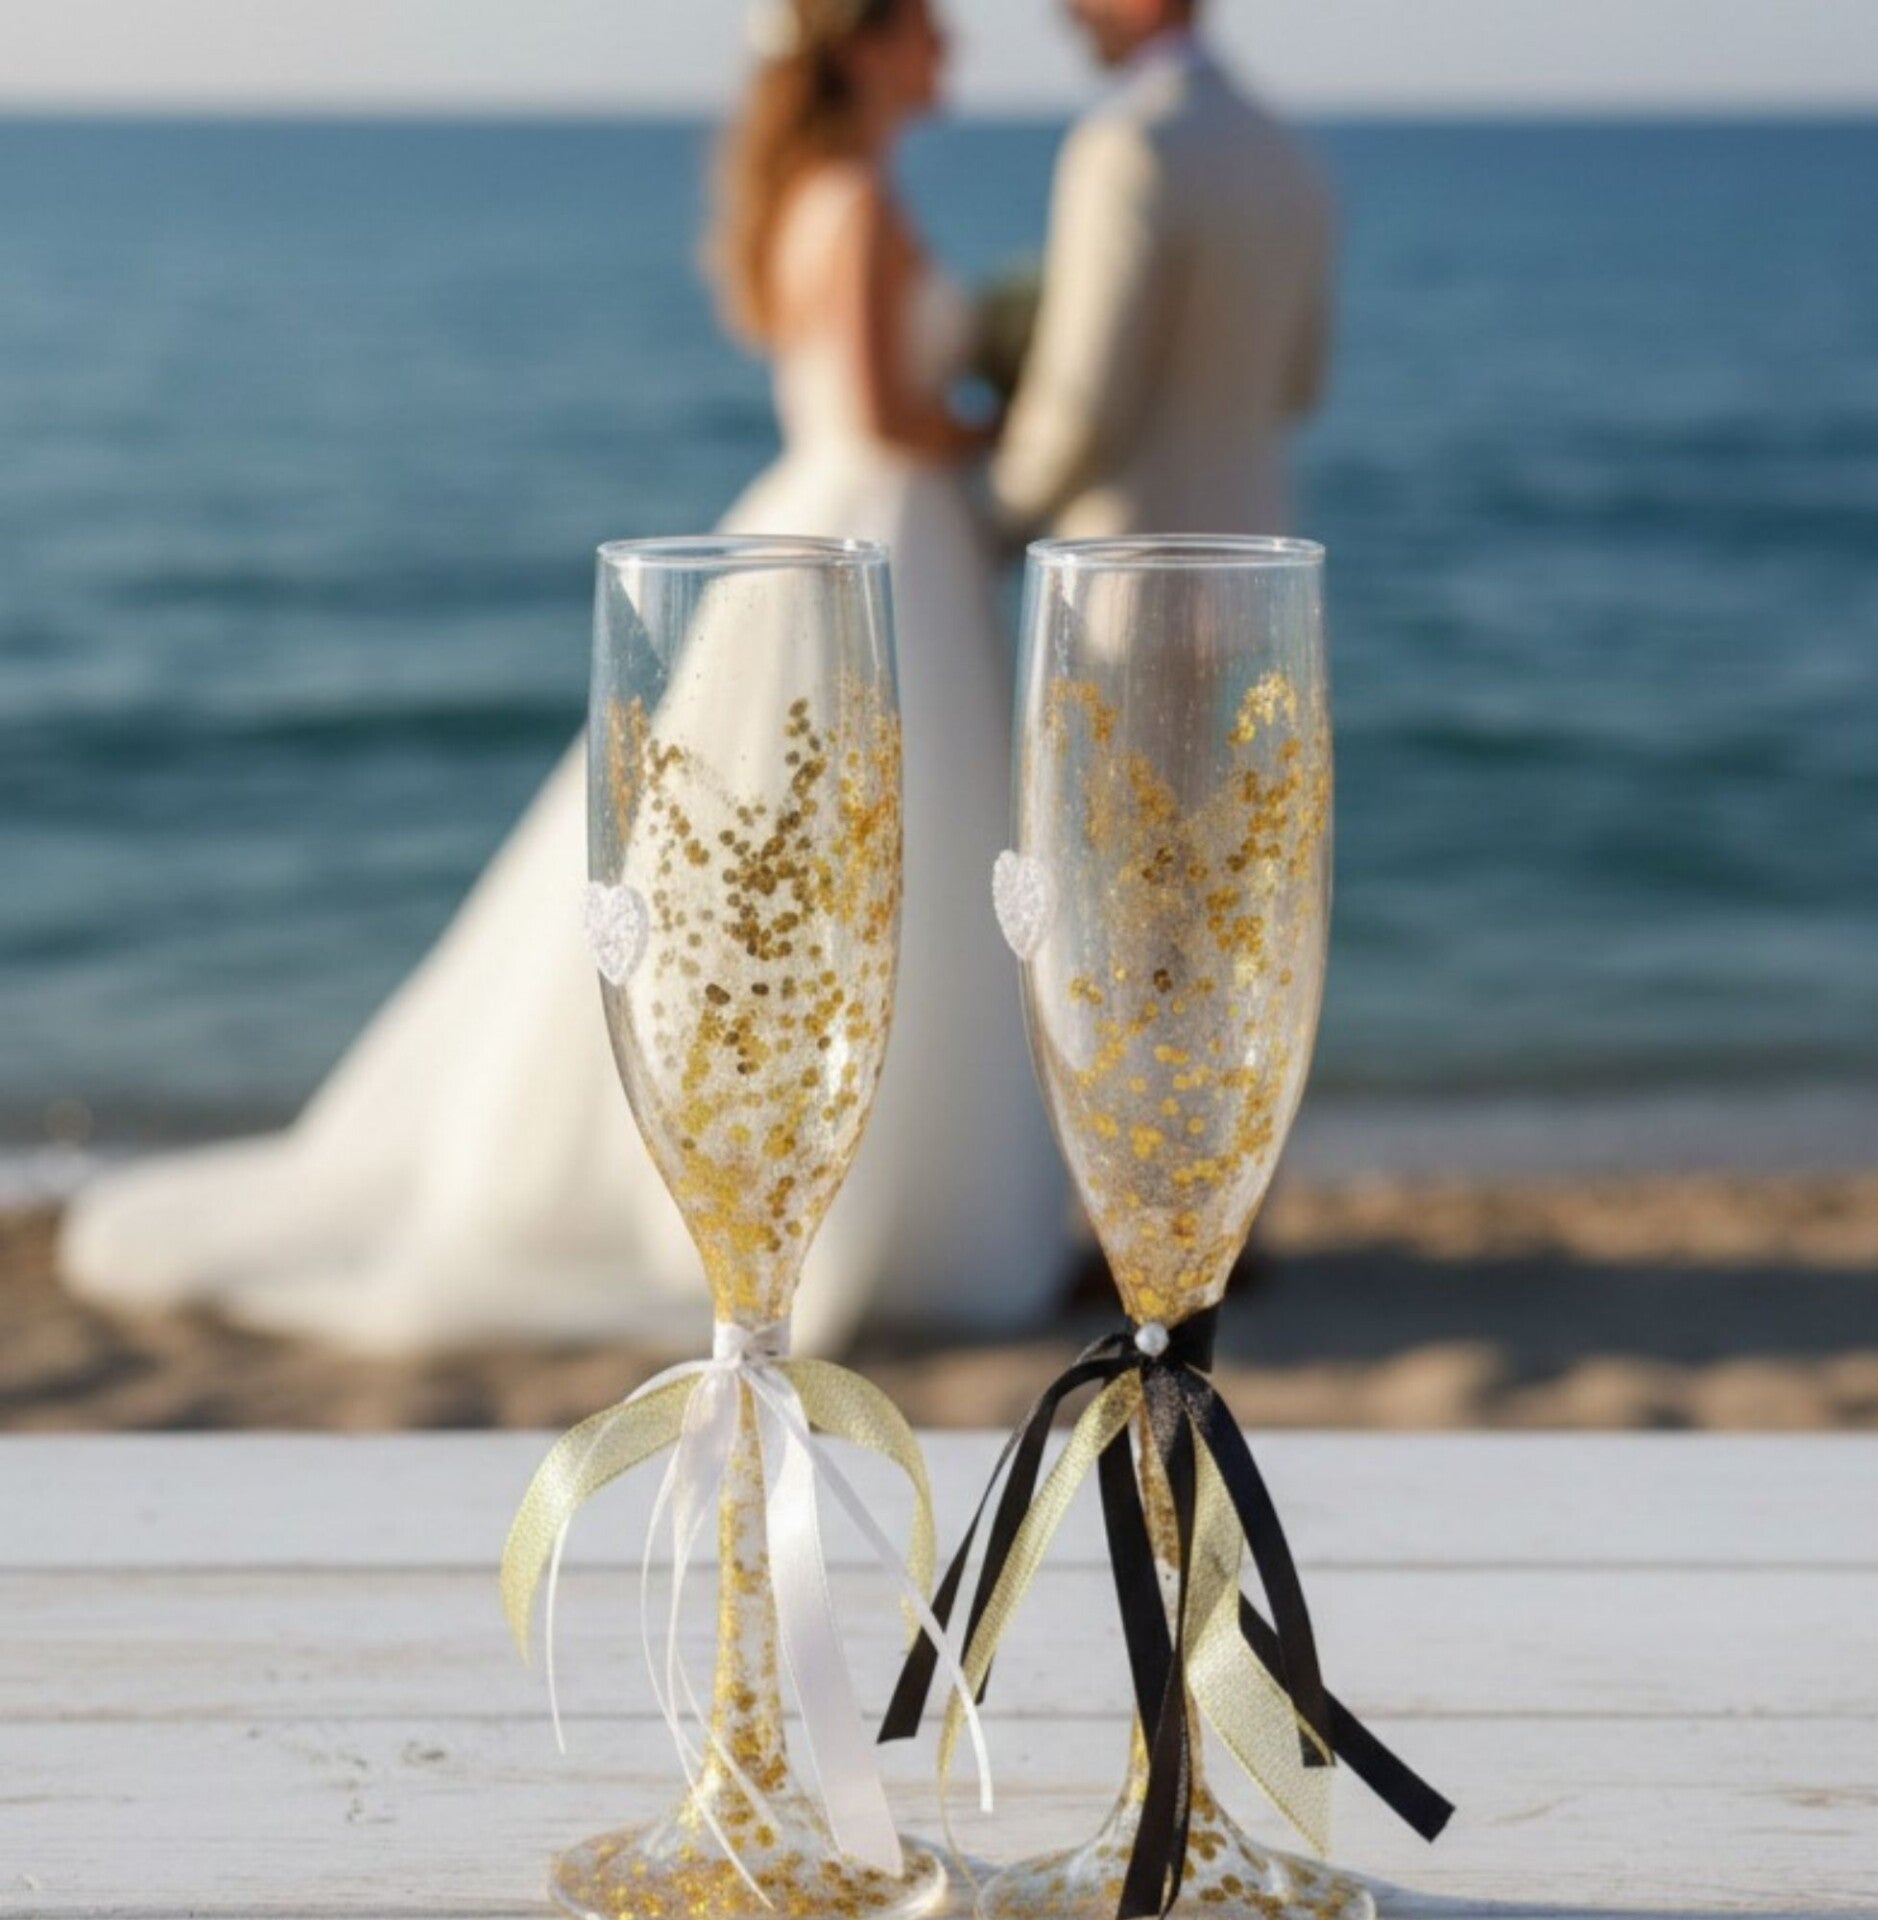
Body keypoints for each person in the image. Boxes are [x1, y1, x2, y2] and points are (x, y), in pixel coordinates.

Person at [60, 0, 1065, 1357]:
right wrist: (1024, 419)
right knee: (844, 864)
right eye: (927, 27)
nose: (949, 47)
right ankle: (851, 1208)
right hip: (868, 538)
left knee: (798, 863)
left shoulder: (821, 198)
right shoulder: (860, 205)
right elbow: (886, 416)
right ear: (868, 46)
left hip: (839, 528)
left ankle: (844, 1195)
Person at [993, 0, 1334, 541]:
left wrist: (990, 513)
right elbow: (1302, 383)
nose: (1070, 13)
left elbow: (1083, 402)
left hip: (1130, 553)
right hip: (1255, 551)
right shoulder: (1288, 152)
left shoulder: (1125, 145)